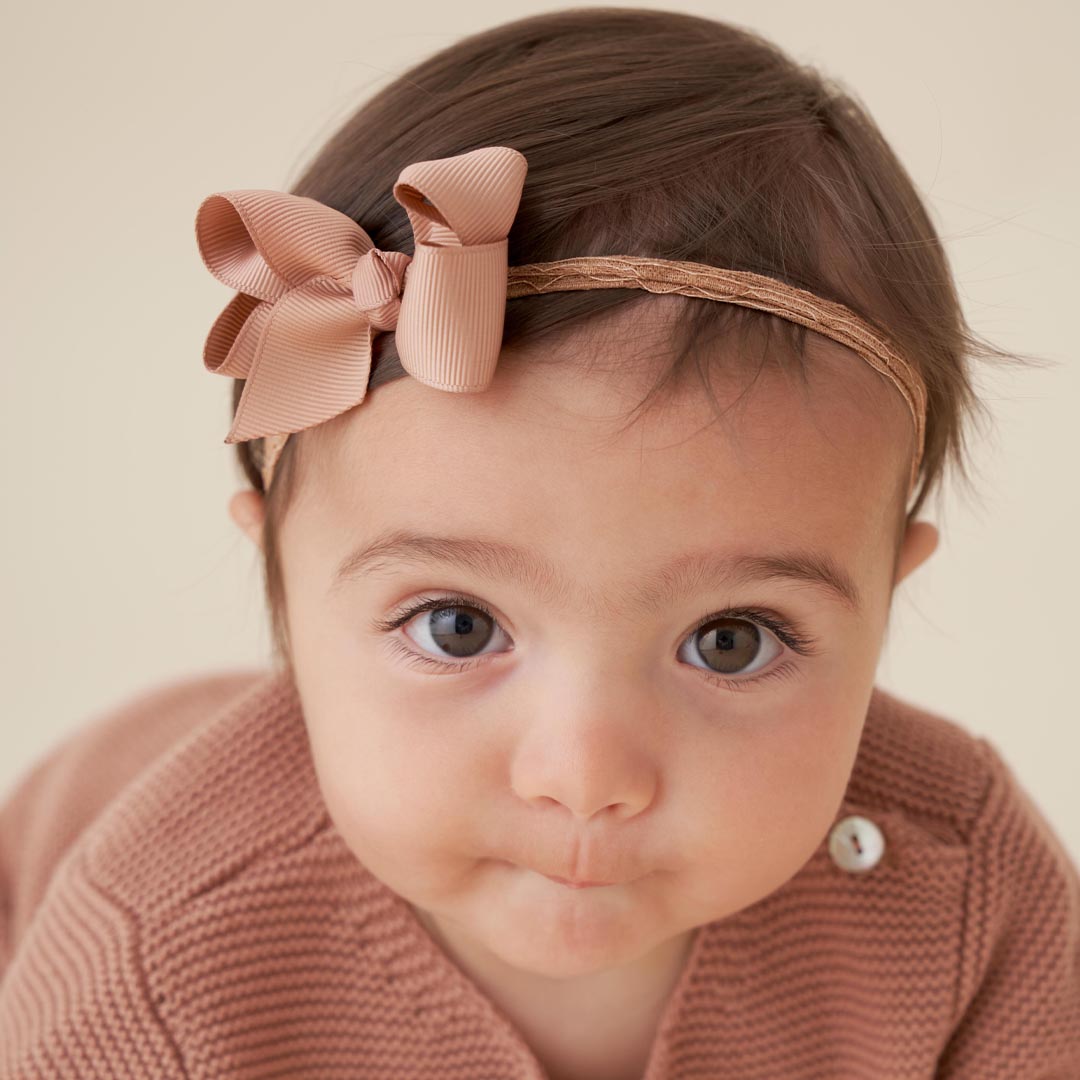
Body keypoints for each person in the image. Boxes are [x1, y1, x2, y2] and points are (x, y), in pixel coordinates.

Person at [2, 8, 1077, 1078]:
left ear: (886, 601)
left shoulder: (969, 891)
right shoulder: (152, 961)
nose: (587, 776)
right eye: (458, 626)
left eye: (733, 640)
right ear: (281, 579)